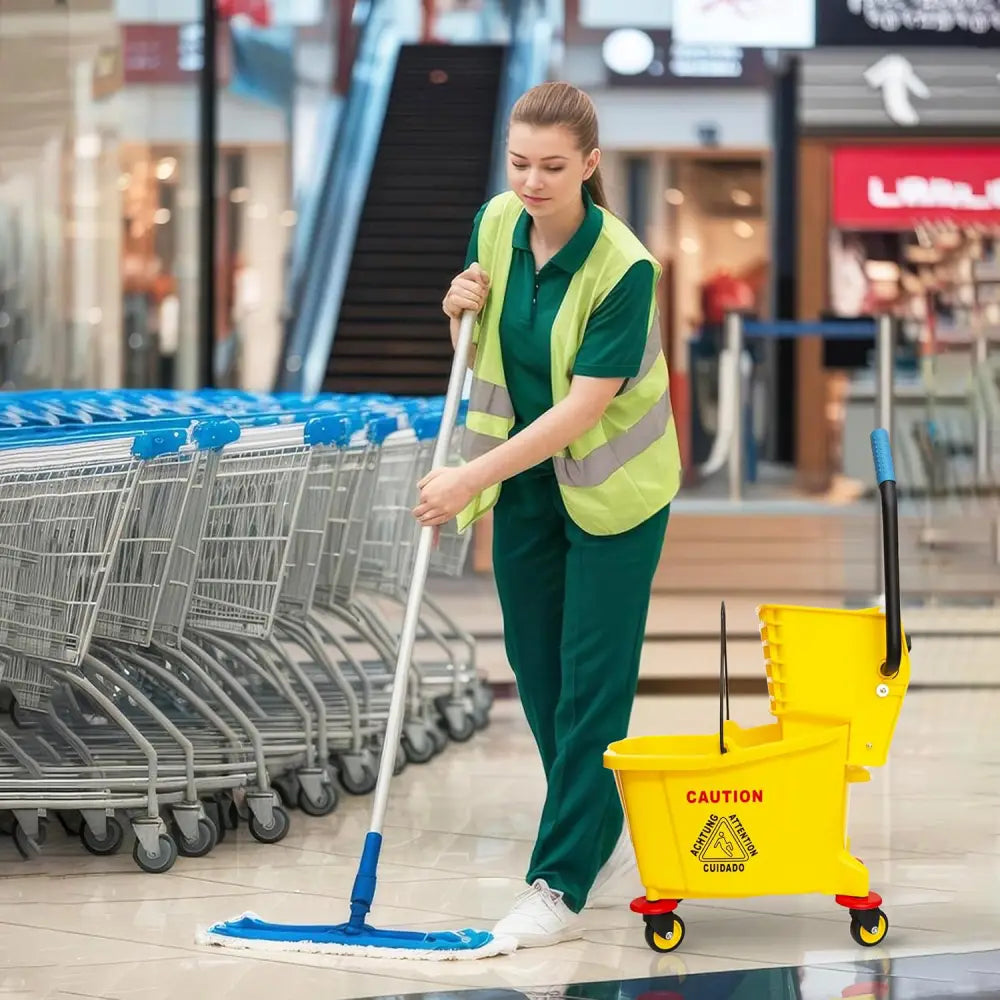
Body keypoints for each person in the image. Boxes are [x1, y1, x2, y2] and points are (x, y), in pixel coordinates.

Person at [412, 81, 683, 949]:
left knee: (593, 689)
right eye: (520, 162)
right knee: (539, 678)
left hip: (614, 492)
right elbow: (488, 341)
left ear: (591, 166)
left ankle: (558, 884)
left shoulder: (624, 268)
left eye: (553, 168)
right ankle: (598, 837)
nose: (531, 182)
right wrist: (455, 311)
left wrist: (464, 478)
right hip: (528, 486)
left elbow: (581, 409)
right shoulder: (495, 223)